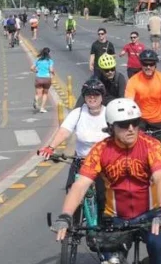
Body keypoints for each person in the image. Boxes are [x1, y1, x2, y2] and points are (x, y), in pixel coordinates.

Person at [50, 97, 161, 264]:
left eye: (135, 123)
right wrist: (66, 216)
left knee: (157, 244)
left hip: (149, 215)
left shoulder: (151, 146)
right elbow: (80, 185)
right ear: (111, 127)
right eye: (124, 125)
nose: (131, 129)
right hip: (114, 218)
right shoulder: (100, 150)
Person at [37, 79, 109, 218]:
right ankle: (72, 226)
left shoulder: (108, 114)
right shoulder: (78, 113)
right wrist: (50, 148)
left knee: (104, 195)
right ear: (84, 96)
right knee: (72, 191)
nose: (92, 98)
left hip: (104, 163)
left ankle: (104, 226)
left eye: (96, 94)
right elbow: (64, 131)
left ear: (102, 96)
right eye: (88, 95)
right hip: (81, 160)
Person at [125, 50, 161, 154]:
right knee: (136, 152)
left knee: (160, 154)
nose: (148, 67)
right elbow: (128, 103)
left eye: (151, 64)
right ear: (141, 64)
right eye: (145, 64)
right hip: (141, 120)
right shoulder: (133, 81)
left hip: (159, 121)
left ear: (155, 65)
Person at [31, 47, 55, 113]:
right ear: (49, 53)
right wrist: (53, 73)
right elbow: (51, 70)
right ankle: (42, 108)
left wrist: (36, 71)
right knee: (45, 93)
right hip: (47, 78)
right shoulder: (50, 61)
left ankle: (36, 99)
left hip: (39, 78)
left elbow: (31, 68)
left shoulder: (38, 60)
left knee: (38, 93)